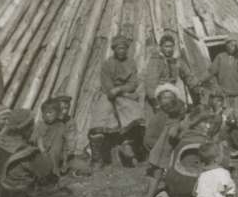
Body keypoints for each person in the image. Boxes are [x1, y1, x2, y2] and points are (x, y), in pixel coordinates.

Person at [0, 109, 73, 197]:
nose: (34, 127)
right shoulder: (27, 152)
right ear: (25, 128)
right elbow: (46, 170)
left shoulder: (0, 143)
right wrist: (42, 149)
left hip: (0, 195)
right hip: (20, 195)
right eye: (32, 125)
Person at [88, 35, 145, 169]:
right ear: (114, 49)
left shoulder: (131, 63)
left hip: (125, 94)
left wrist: (120, 89)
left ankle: (130, 148)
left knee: (136, 116)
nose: (122, 51)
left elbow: (133, 83)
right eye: (119, 48)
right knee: (99, 121)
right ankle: (97, 158)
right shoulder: (107, 64)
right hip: (109, 95)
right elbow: (106, 85)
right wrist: (113, 91)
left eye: (124, 48)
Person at [143, 84, 186, 197]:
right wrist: (180, 135)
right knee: (157, 175)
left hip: (159, 153)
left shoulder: (169, 121)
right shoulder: (172, 124)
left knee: (155, 176)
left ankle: (151, 195)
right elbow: (172, 136)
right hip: (162, 154)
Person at [142, 34, 199, 117]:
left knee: (182, 113)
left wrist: (196, 86)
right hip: (157, 96)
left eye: (171, 46)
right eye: (166, 46)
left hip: (171, 94)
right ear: (161, 47)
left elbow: (188, 76)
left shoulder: (176, 61)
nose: (169, 49)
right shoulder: (156, 61)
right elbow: (151, 83)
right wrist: (155, 102)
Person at [200, 33, 238, 130]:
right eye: (229, 44)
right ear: (226, 45)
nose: (232, 46)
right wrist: (200, 81)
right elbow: (211, 71)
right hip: (224, 95)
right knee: (226, 122)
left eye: (235, 44)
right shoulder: (220, 57)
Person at [52, 95, 91, 177]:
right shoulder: (49, 119)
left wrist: (65, 158)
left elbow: (71, 143)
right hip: (49, 155)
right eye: (62, 108)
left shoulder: (70, 121)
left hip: (64, 156)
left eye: (67, 108)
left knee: (85, 168)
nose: (64, 111)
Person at [207, 88, 238, 159]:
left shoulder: (228, 111)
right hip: (213, 135)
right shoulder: (208, 113)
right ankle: (228, 151)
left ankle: (236, 151)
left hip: (226, 134)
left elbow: (234, 122)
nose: (219, 103)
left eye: (220, 100)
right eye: (216, 101)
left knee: (237, 129)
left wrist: (232, 121)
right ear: (211, 102)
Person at [31, 99, 66, 176]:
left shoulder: (61, 126)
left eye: (50, 113)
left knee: (55, 154)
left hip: (55, 153)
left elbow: (63, 142)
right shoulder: (40, 125)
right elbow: (36, 139)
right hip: (41, 152)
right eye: (44, 113)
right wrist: (42, 149)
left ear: (57, 114)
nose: (47, 115)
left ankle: (54, 172)